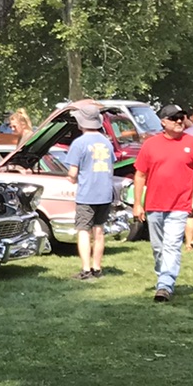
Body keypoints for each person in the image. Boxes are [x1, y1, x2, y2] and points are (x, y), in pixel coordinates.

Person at [131, 104, 193, 302]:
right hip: (154, 205)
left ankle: (165, 285)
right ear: (163, 122)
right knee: (158, 248)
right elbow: (140, 175)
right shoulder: (150, 144)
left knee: (172, 245)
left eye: (181, 117)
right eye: (174, 118)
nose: (180, 121)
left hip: (180, 206)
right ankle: (162, 277)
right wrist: (137, 203)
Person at [65, 103, 119, 282]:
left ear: (81, 123)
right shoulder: (106, 141)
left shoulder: (79, 143)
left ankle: (86, 269)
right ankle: (97, 267)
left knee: (83, 231)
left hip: (87, 194)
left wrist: (71, 179)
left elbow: (73, 172)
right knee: (99, 231)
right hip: (104, 193)